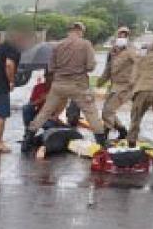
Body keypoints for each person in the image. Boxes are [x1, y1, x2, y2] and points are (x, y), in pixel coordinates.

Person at [23, 21, 107, 152]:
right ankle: (102, 144)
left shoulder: (58, 45)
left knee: (44, 112)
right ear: (80, 31)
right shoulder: (86, 44)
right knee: (91, 113)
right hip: (79, 85)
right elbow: (91, 67)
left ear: (69, 31)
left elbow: (51, 67)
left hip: (59, 85)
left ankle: (27, 140)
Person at [0, 27, 25, 152]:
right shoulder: (12, 49)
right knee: (2, 115)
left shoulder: (0, 46)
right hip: (1, 84)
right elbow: (9, 64)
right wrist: (11, 81)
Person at [96, 26, 138, 140]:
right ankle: (122, 130)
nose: (122, 37)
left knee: (108, 110)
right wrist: (101, 81)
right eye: (120, 34)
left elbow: (137, 65)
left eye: (125, 35)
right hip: (114, 85)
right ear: (117, 35)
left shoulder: (131, 50)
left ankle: (106, 132)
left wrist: (133, 80)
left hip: (126, 86)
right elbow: (108, 67)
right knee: (107, 110)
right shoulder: (113, 51)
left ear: (128, 37)